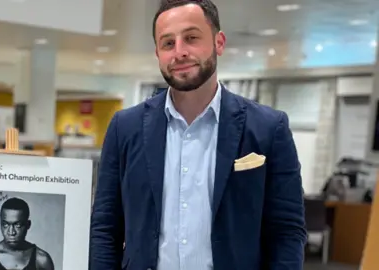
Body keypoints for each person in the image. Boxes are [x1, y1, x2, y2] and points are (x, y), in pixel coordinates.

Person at [89, 0, 307, 269]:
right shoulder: (126, 127)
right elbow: (105, 228)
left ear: (219, 42)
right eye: (168, 43)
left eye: (191, 38)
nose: (179, 52)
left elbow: (286, 232)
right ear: (157, 52)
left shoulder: (268, 128)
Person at [0, 197, 54, 270]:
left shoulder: (42, 260)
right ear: (0, 224)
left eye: (17, 225)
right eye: (5, 225)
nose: (11, 232)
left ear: (28, 225)